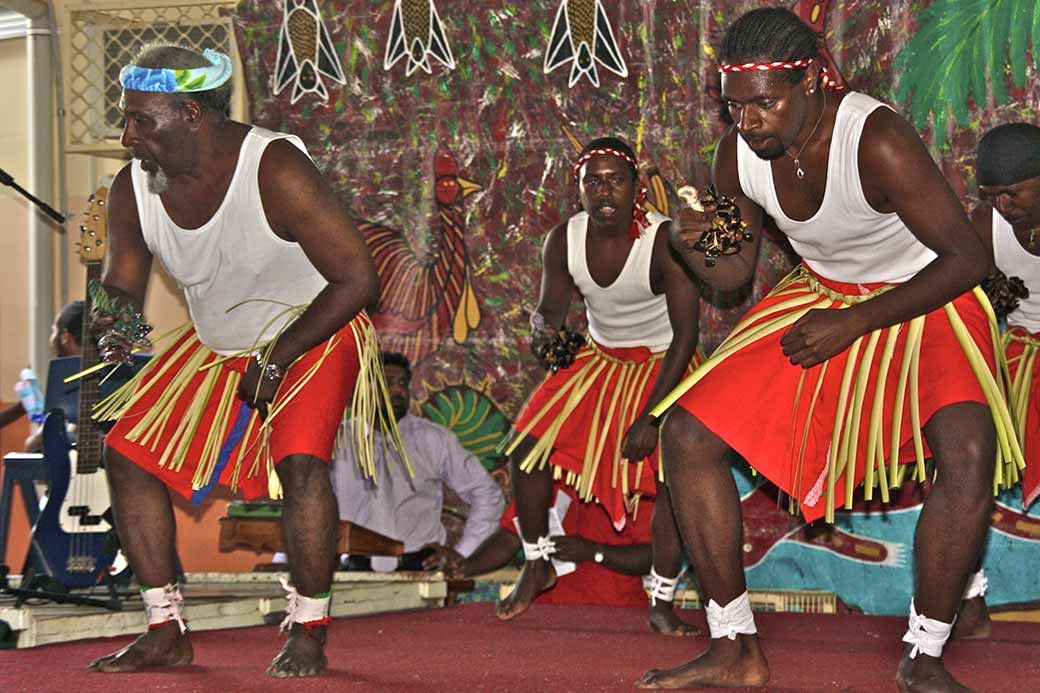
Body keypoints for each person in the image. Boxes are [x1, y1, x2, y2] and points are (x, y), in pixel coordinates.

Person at [636, 8, 1020, 691]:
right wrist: (689, 241)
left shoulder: (874, 138)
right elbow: (730, 277)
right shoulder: (736, 157)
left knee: (966, 451)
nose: (748, 123)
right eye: (734, 108)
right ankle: (734, 645)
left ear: (812, 82)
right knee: (688, 432)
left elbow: (964, 257)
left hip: (925, 293)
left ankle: (923, 655)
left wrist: (858, 321)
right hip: (824, 296)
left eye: (764, 105)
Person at [85, 44, 395, 678]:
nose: (128, 135)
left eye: (144, 120)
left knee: (301, 464)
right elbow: (121, 282)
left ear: (194, 115)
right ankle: (164, 625)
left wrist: (279, 360)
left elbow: (358, 280)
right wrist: (113, 318)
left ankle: (308, 626)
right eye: (128, 118)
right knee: (127, 455)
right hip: (216, 344)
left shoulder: (273, 167)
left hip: (311, 333)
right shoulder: (131, 188)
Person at [500, 136, 703, 637]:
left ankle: (661, 599)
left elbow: (686, 335)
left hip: (665, 366)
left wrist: (653, 416)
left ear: (636, 186)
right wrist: (542, 329)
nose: (604, 191)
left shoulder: (664, 240)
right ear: (579, 189)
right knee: (526, 450)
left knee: (669, 486)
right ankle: (537, 560)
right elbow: (552, 309)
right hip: (599, 359)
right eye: (594, 181)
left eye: (616, 180)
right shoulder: (563, 240)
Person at [329, 351, 504, 571]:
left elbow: (487, 494)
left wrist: (463, 554)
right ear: (359, 391)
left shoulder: (433, 439)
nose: (397, 390)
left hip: (419, 569)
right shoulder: (336, 442)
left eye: (402, 383)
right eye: (386, 382)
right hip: (348, 572)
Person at [452, 482, 684, 616]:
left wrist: (595, 551)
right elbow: (509, 537)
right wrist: (465, 568)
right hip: (545, 613)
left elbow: (657, 556)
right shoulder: (548, 480)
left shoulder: (633, 485)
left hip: (615, 615)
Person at [0, 301, 86, 451]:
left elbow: (33, 445)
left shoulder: (65, 376)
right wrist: (22, 407)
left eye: (53, 331)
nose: (51, 339)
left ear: (66, 337)